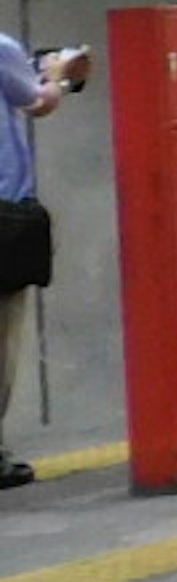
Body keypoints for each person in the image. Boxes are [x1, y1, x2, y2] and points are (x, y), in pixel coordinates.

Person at [0, 31, 87, 488]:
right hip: (3, 215)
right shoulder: (1, 48)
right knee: (1, 340)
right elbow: (38, 102)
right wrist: (59, 75)